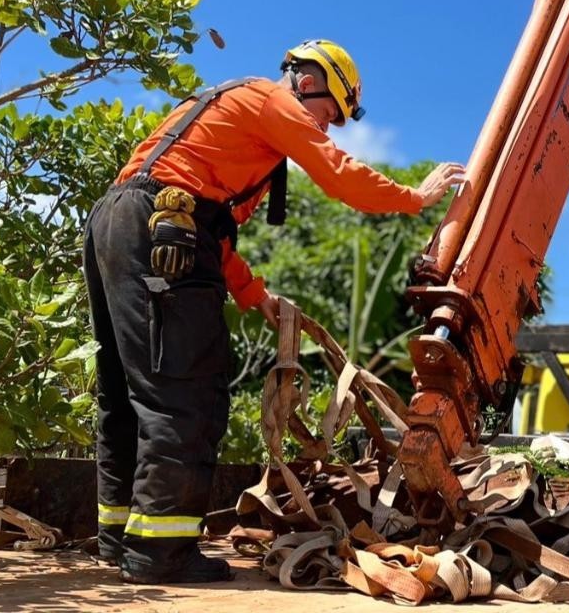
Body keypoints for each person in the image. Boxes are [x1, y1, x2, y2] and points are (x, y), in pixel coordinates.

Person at [82, 39, 465, 584]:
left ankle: (118, 541)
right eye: (328, 112)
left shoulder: (226, 117)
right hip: (160, 226)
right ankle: (160, 554)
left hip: (121, 223)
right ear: (308, 81)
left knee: (128, 396)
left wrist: (255, 295)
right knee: (185, 394)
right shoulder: (271, 102)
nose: (326, 129)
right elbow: (339, 174)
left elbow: (208, 232)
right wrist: (415, 197)